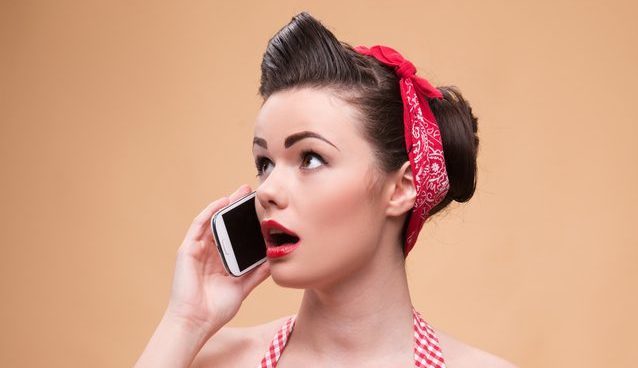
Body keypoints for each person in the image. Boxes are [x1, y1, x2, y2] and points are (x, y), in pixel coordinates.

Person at [135, 11, 516, 368]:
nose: (267, 192)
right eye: (264, 164)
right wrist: (185, 322)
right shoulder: (209, 358)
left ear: (401, 188)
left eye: (310, 158)